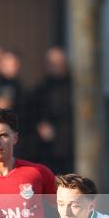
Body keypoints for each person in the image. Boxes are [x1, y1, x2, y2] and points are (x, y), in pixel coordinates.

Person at [30, 46, 74, 175]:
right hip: (48, 147)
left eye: (60, 62)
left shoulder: (75, 88)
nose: (56, 66)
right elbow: (32, 114)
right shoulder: (40, 89)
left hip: (70, 145)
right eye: (53, 63)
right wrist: (40, 125)